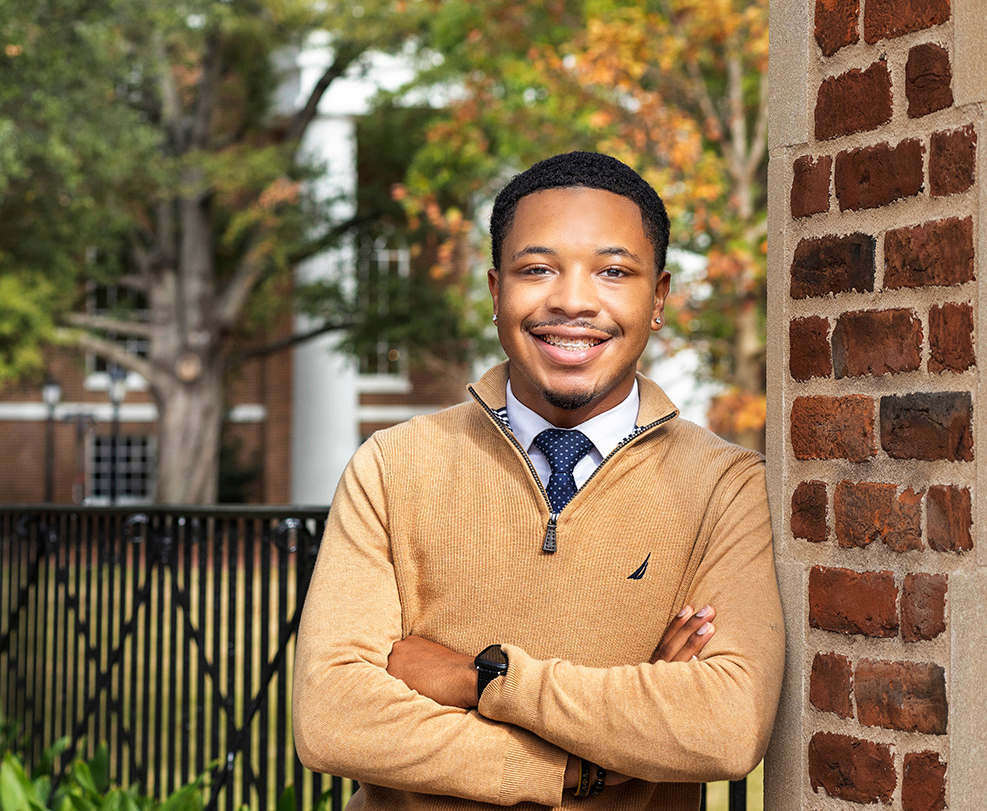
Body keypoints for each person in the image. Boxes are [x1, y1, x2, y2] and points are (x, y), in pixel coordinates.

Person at [292, 151, 783, 810]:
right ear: (496, 292)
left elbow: (723, 726)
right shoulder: (392, 465)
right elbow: (332, 718)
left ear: (658, 297)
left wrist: (482, 676)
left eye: (613, 271)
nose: (573, 301)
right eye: (536, 269)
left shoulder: (727, 486)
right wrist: (587, 767)